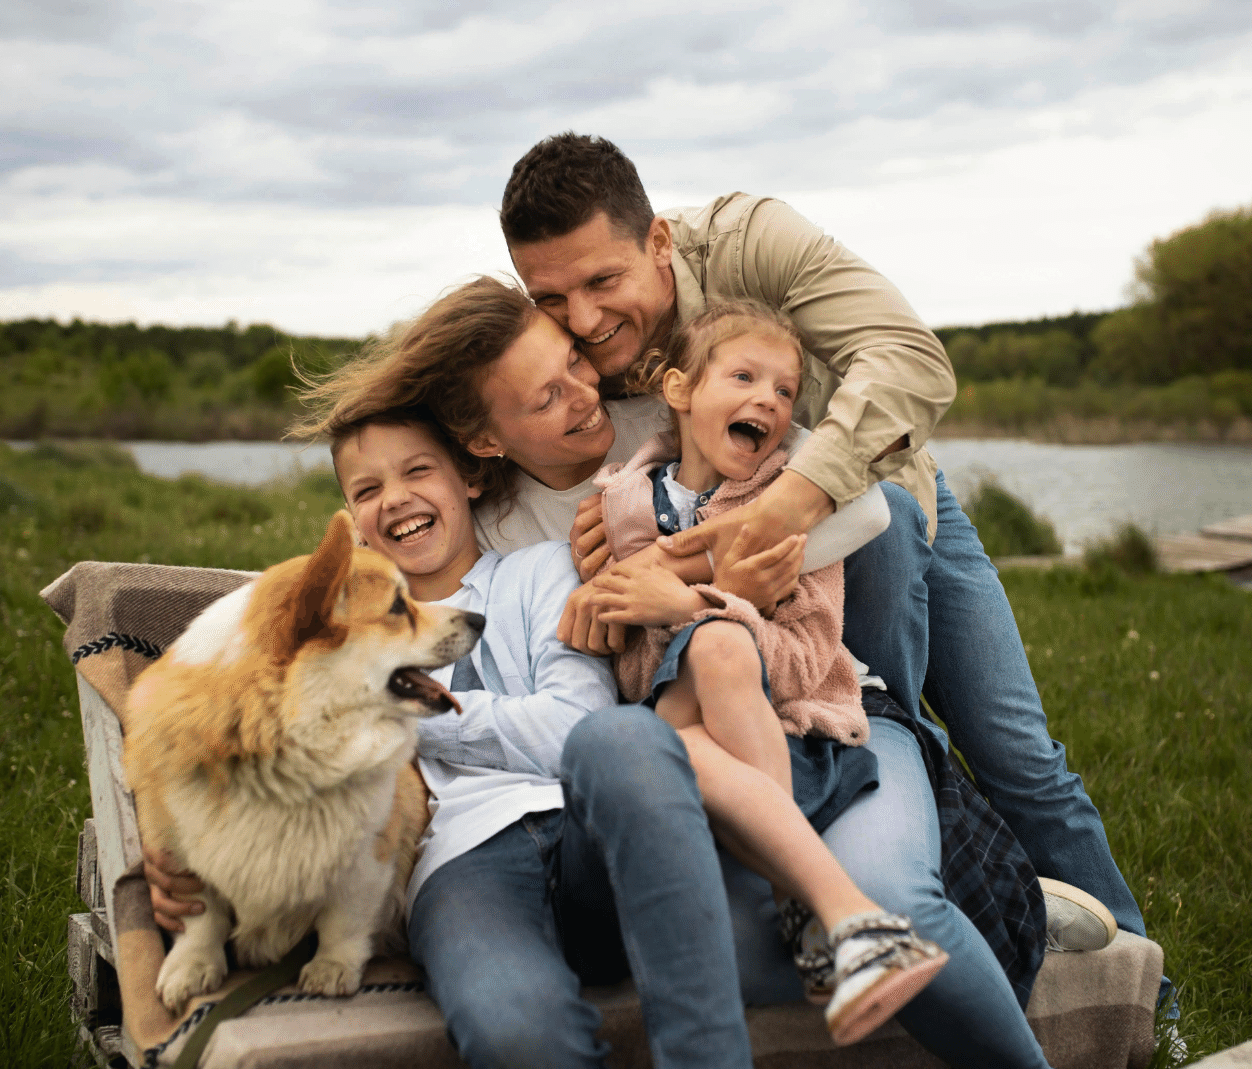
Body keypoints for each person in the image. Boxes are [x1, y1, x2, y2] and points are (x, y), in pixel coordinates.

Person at [303, 276, 1060, 1067]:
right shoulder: (500, 537)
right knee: (660, 803)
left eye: (572, 364)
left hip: (793, 716)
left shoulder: (650, 436)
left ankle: (888, 908)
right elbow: (269, 705)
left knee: (872, 880)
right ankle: (860, 903)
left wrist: (685, 577)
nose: (582, 397)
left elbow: (879, 518)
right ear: (483, 446)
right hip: (652, 761)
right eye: (544, 397)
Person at [499, 132, 1146, 965]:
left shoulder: (750, 241)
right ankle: (953, 897)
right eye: (551, 297)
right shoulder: (568, 342)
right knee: (860, 732)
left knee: (1013, 751)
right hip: (729, 580)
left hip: (874, 506)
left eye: (603, 281)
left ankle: (1141, 993)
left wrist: (783, 507)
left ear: (658, 240)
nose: (583, 319)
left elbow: (911, 357)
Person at [328, 404, 754, 1069]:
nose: (397, 498)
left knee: (622, 735)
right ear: (351, 521)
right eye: (367, 489)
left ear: (467, 478)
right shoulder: (342, 633)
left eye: (418, 470)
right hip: (459, 862)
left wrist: (402, 713)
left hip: (588, 832)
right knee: (516, 1030)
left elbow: (572, 729)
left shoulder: (539, 572)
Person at [590, 298, 949, 1041]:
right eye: (745, 375)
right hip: (690, 744)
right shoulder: (621, 504)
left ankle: (819, 907)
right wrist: (680, 610)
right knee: (686, 699)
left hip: (787, 735)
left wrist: (698, 605)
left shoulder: (794, 505)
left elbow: (807, 661)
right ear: (680, 389)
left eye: (785, 391)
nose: (769, 400)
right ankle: (839, 915)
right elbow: (631, 674)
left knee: (720, 647)